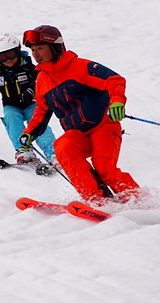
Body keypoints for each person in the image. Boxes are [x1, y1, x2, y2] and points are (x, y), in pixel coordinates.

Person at [18, 25, 141, 205]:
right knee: (63, 146)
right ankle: (97, 200)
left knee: (104, 169)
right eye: (33, 50)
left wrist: (117, 102)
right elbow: (42, 111)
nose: (36, 54)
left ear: (55, 47)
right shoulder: (42, 80)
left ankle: (140, 201)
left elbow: (114, 80)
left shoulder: (79, 67)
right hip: (78, 135)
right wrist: (30, 132)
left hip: (103, 127)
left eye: (40, 48)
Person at [0, 33, 56, 164]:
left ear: (17, 51)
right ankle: (23, 151)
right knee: (11, 118)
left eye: (10, 54)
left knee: (37, 121)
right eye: (2, 57)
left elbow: (39, 79)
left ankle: (52, 152)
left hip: (31, 103)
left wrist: (30, 91)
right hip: (11, 105)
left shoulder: (28, 67)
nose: (8, 60)